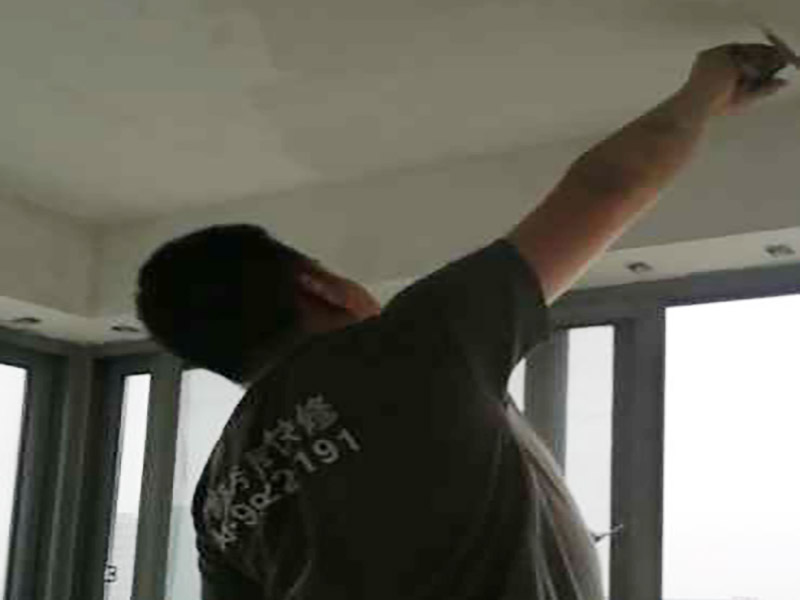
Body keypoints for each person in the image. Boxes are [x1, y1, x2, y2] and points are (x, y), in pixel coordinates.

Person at [136, 43, 790, 599]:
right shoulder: (406, 345)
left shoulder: (216, 498)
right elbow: (607, 189)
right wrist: (709, 85)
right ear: (320, 287)